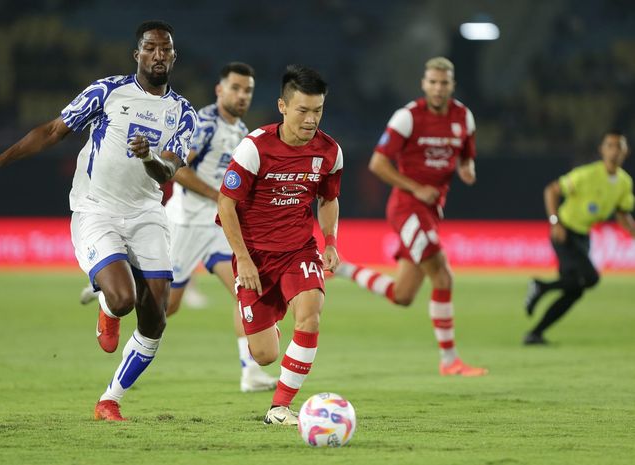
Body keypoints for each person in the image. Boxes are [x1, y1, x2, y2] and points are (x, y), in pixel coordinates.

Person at [0, 21, 197, 421]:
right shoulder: (106, 91)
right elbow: (54, 130)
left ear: (174, 56)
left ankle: (110, 398)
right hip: (97, 209)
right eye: (151, 48)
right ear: (137, 54)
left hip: (146, 213)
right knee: (124, 300)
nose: (159, 55)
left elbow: (168, 173)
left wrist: (148, 156)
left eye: (166, 49)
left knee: (156, 316)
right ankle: (108, 306)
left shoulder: (182, 113)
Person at [335, 57, 487, 377]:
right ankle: (450, 362)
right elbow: (378, 164)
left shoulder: (463, 117)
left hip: (431, 211)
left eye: (443, 83)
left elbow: (467, 158)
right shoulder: (408, 117)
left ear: (452, 85)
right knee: (443, 276)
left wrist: (467, 170)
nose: (437, 88)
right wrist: (416, 188)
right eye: (432, 82)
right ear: (424, 83)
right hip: (407, 208)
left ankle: (342, 268)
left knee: (403, 295)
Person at [217, 64, 343, 425]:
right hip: (254, 256)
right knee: (264, 356)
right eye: (302, 110)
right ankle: (269, 319)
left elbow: (329, 199)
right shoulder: (254, 148)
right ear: (283, 106)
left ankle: (279, 408)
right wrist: (243, 259)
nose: (310, 119)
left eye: (317, 110)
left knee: (310, 316)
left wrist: (330, 241)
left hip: (299, 250)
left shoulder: (330, 152)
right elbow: (226, 205)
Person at [164, 62, 277, 391]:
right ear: (220, 90)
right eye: (236, 88)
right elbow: (176, 168)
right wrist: (220, 197)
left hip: (218, 227)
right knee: (166, 308)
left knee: (248, 291)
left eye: (248, 91)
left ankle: (251, 373)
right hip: (186, 223)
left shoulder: (241, 132)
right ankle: (116, 295)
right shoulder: (205, 123)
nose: (242, 95)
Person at [524, 131, 635, 344]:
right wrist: (555, 221)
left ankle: (535, 333)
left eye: (618, 147)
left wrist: (632, 230)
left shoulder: (624, 183)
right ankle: (540, 288)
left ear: (625, 152)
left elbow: (622, 214)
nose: (614, 151)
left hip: (583, 237)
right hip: (564, 233)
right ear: (602, 150)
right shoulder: (586, 174)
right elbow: (551, 190)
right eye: (610, 146)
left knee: (575, 290)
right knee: (591, 278)